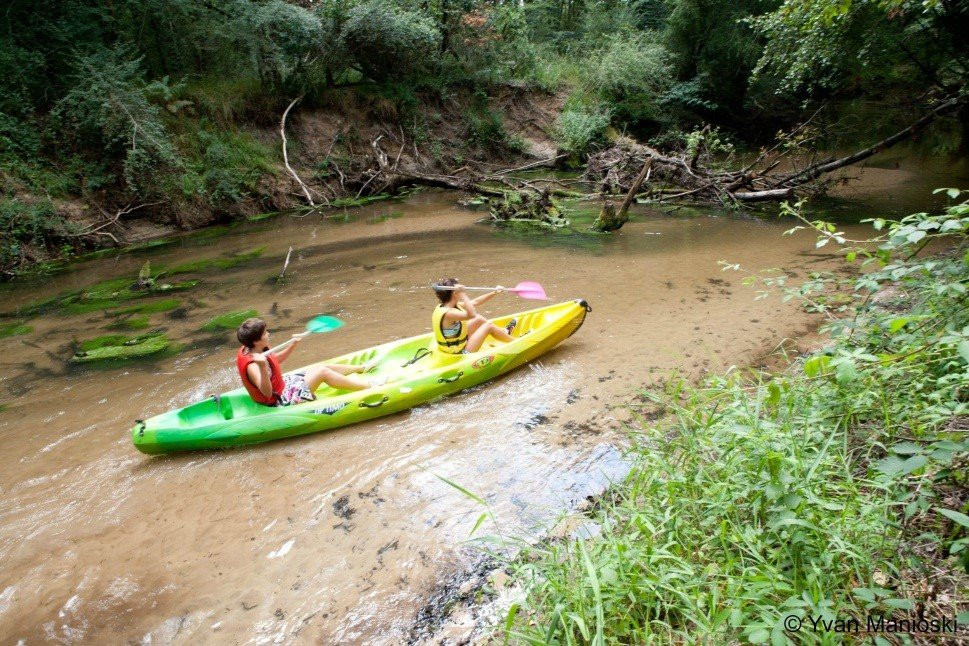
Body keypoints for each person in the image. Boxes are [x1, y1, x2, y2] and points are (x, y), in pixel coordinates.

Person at [235, 318, 382, 406]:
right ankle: (369, 387)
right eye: (265, 333)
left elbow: (275, 361)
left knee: (321, 367)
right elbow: (266, 393)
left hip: (284, 385)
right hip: (279, 400)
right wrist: (261, 367)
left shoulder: (255, 347)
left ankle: (361, 368)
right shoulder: (254, 366)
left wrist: (293, 344)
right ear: (255, 341)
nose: (268, 334)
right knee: (322, 373)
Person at [432, 278, 516, 354]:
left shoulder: (448, 305)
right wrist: (462, 294)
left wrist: (495, 292)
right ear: (455, 293)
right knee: (489, 326)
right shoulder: (449, 313)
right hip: (458, 352)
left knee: (479, 319)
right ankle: (516, 342)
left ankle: (504, 332)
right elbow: (471, 314)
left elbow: (475, 302)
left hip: (455, 343)